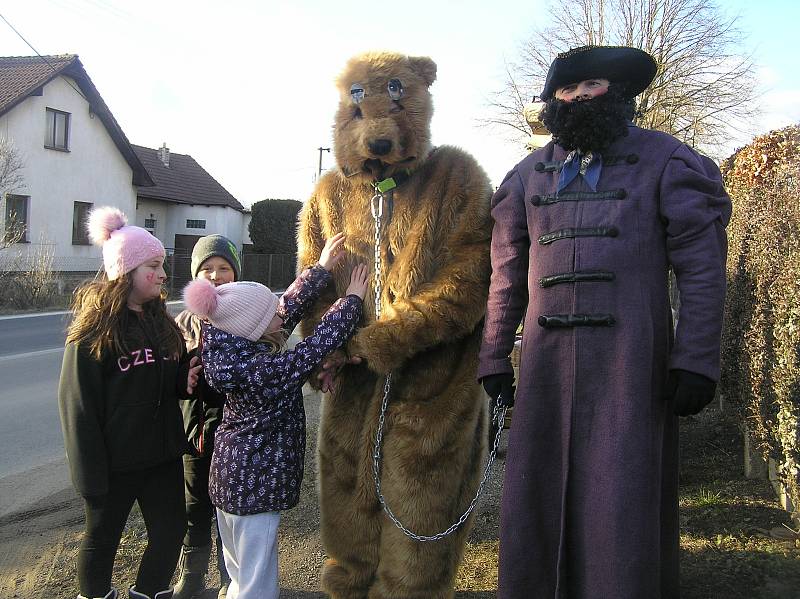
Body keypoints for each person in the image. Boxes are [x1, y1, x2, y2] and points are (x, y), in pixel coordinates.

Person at [478, 45, 732, 599]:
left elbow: (703, 271)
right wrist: (495, 356)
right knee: (538, 495)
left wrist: (695, 360)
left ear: (618, 92)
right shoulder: (526, 175)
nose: (575, 98)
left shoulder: (667, 162)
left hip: (630, 365)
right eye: (564, 90)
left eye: (589, 85)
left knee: (622, 497)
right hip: (545, 369)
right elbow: (505, 273)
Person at [182, 233, 367, 599]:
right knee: (257, 581)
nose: (278, 314)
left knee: (238, 573)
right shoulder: (262, 372)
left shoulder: (230, 343)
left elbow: (283, 309)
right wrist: (351, 302)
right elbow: (311, 351)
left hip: (231, 486)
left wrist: (321, 269)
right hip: (255, 489)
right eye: (269, 315)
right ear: (255, 329)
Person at [58, 206, 202, 599]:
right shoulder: (92, 331)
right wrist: (90, 476)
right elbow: (78, 408)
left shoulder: (162, 322)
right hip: (113, 462)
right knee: (103, 539)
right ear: (125, 271)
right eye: (151, 266)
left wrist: (183, 381)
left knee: (170, 533)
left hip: (161, 456)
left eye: (161, 265)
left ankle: (149, 592)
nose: (161, 273)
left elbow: (164, 382)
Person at [173, 235, 240, 599]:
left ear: (235, 273)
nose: (215, 276)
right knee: (194, 506)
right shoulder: (183, 323)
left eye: (223, 268)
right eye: (207, 269)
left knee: (225, 509)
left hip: (233, 436)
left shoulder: (248, 318)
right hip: (194, 434)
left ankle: (228, 575)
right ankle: (192, 575)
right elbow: (170, 382)